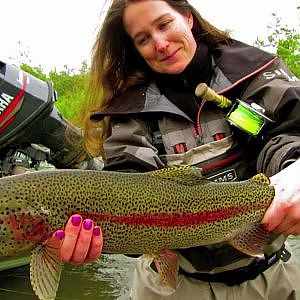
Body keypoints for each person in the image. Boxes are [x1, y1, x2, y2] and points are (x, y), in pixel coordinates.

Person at [53, 0, 300, 299]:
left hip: (271, 277)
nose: (160, 43)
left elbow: (286, 132)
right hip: (173, 287)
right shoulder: (128, 110)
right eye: (143, 38)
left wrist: (295, 169)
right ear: (134, 48)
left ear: (187, 17)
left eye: (164, 24)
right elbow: (127, 178)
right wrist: (109, 230)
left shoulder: (254, 72)